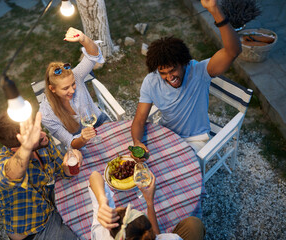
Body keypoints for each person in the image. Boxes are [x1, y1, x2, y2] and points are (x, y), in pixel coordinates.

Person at [131, 0, 242, 155]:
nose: (170, 77)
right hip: (167, 133)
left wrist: (214, 10)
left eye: (173, 70)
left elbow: (233, 51)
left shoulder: (199, 71)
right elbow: (139, 119)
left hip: (195, 139)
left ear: (183, 62)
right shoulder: (151, 81)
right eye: (163, 73)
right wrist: (137, 142)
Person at [0, 112, 82, 240]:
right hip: (35, 231)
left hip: (51, 205)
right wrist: (27, 147)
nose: (44, 135)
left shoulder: (42, 143)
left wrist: (70, 163)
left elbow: (62, 169)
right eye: (36, 136)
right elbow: (10, 175)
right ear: (18, 148)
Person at [39, 27, 109, 150]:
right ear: (52, 89)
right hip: (79, 140)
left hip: (99, 121)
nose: (72, 90)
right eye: (65, 88)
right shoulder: (46, 114)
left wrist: (82, 38)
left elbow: (94, 55)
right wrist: (83, 138)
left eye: (73, 84)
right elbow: (70, 142)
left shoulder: (76, 75)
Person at [89, 171, 205, 240]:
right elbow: (158, 235)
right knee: (194, 225)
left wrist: (102, 201)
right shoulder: (171, 238)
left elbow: (94, 175)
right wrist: (150, 202)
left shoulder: (101, 234)